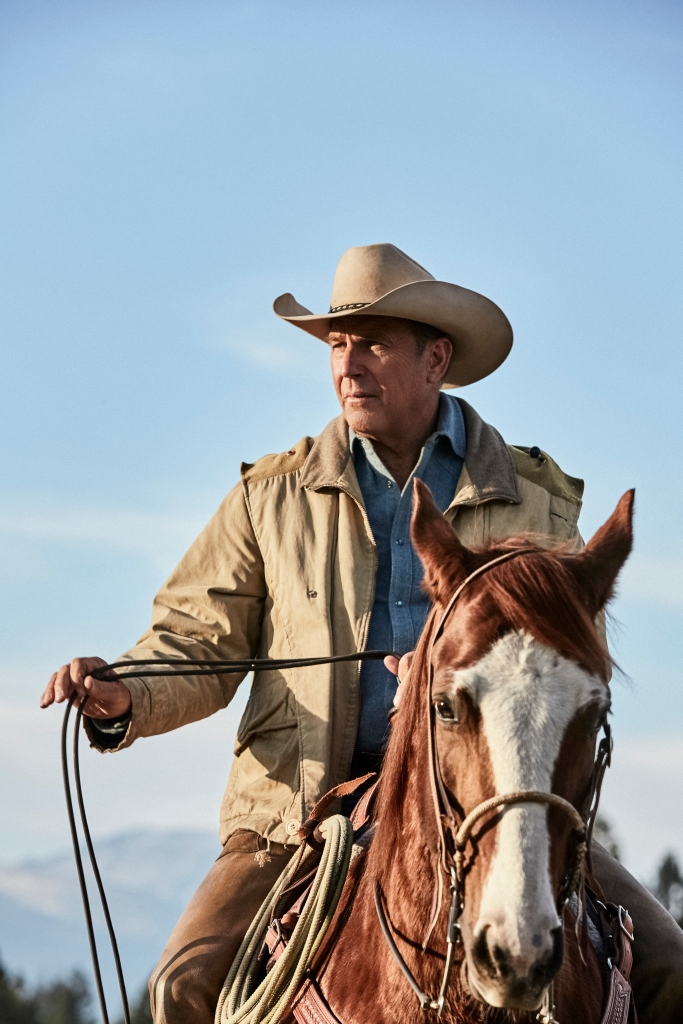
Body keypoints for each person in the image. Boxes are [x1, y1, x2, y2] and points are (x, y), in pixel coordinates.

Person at [40, 244, 683, 1023]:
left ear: (434, 358)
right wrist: (123, 694)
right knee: (183, 985)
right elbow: (196, 644)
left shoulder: (537, 500)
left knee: (668, 966)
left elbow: (563, 666)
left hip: (496, 799)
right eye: (338, 345)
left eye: (373, 342)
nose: (348, 364)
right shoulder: (268, 499)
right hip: (298, 814)